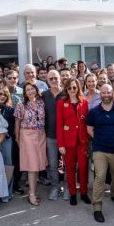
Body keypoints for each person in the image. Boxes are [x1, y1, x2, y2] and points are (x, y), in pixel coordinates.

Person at [86, 84, 114, 223]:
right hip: (99, 149)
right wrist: (97, 137)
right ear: (100, 94)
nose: (106, 94)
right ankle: (97, 207)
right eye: (103, 92)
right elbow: (89, 128)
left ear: (112, 93)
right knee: (100, 176)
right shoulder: (94, 111)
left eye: (108, 92)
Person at [57, 78, 90, 206]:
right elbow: (60, 125)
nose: (72, 90)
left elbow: (87, 122)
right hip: (68, 142)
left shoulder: (84, 102)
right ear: (66, 89)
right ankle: (72, 193)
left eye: (74, 87)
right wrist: (61, 144)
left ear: (78, 88)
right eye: (69, 88)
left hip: (82, 141)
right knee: (70, 169)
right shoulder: (61, 103)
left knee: (83, 167)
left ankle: (83, 192)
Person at [14, 82, 48, 207]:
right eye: (27, 90)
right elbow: (17, 122)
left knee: (38, 164)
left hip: (41, 134)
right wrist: (17, 138)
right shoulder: (21, 104)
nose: (30, 91)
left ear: (36, 89)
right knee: (32, 165)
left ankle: (33, 190)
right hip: (27, 135)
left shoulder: (41, 102)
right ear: (25, 92)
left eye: (32, 89)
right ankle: (32, 193)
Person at [41, 69, 65, 200]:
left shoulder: (66, 93)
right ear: (47, 81)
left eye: (56, 78)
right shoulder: (44, 95)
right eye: (51, 79)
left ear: (60, 78)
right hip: (50, 135)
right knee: (52, 163)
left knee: (68, 163)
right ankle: (55, 187)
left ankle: (67, 186)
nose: (54, 81)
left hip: (66, 136)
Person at [0, 87, 17, 201]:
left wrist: (4, 136)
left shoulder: (10, 110)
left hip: (6, 140)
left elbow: (12, 127)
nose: (2, 96)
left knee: (7, 165)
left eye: (5, 95)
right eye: (0, 94)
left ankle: (7, 193)